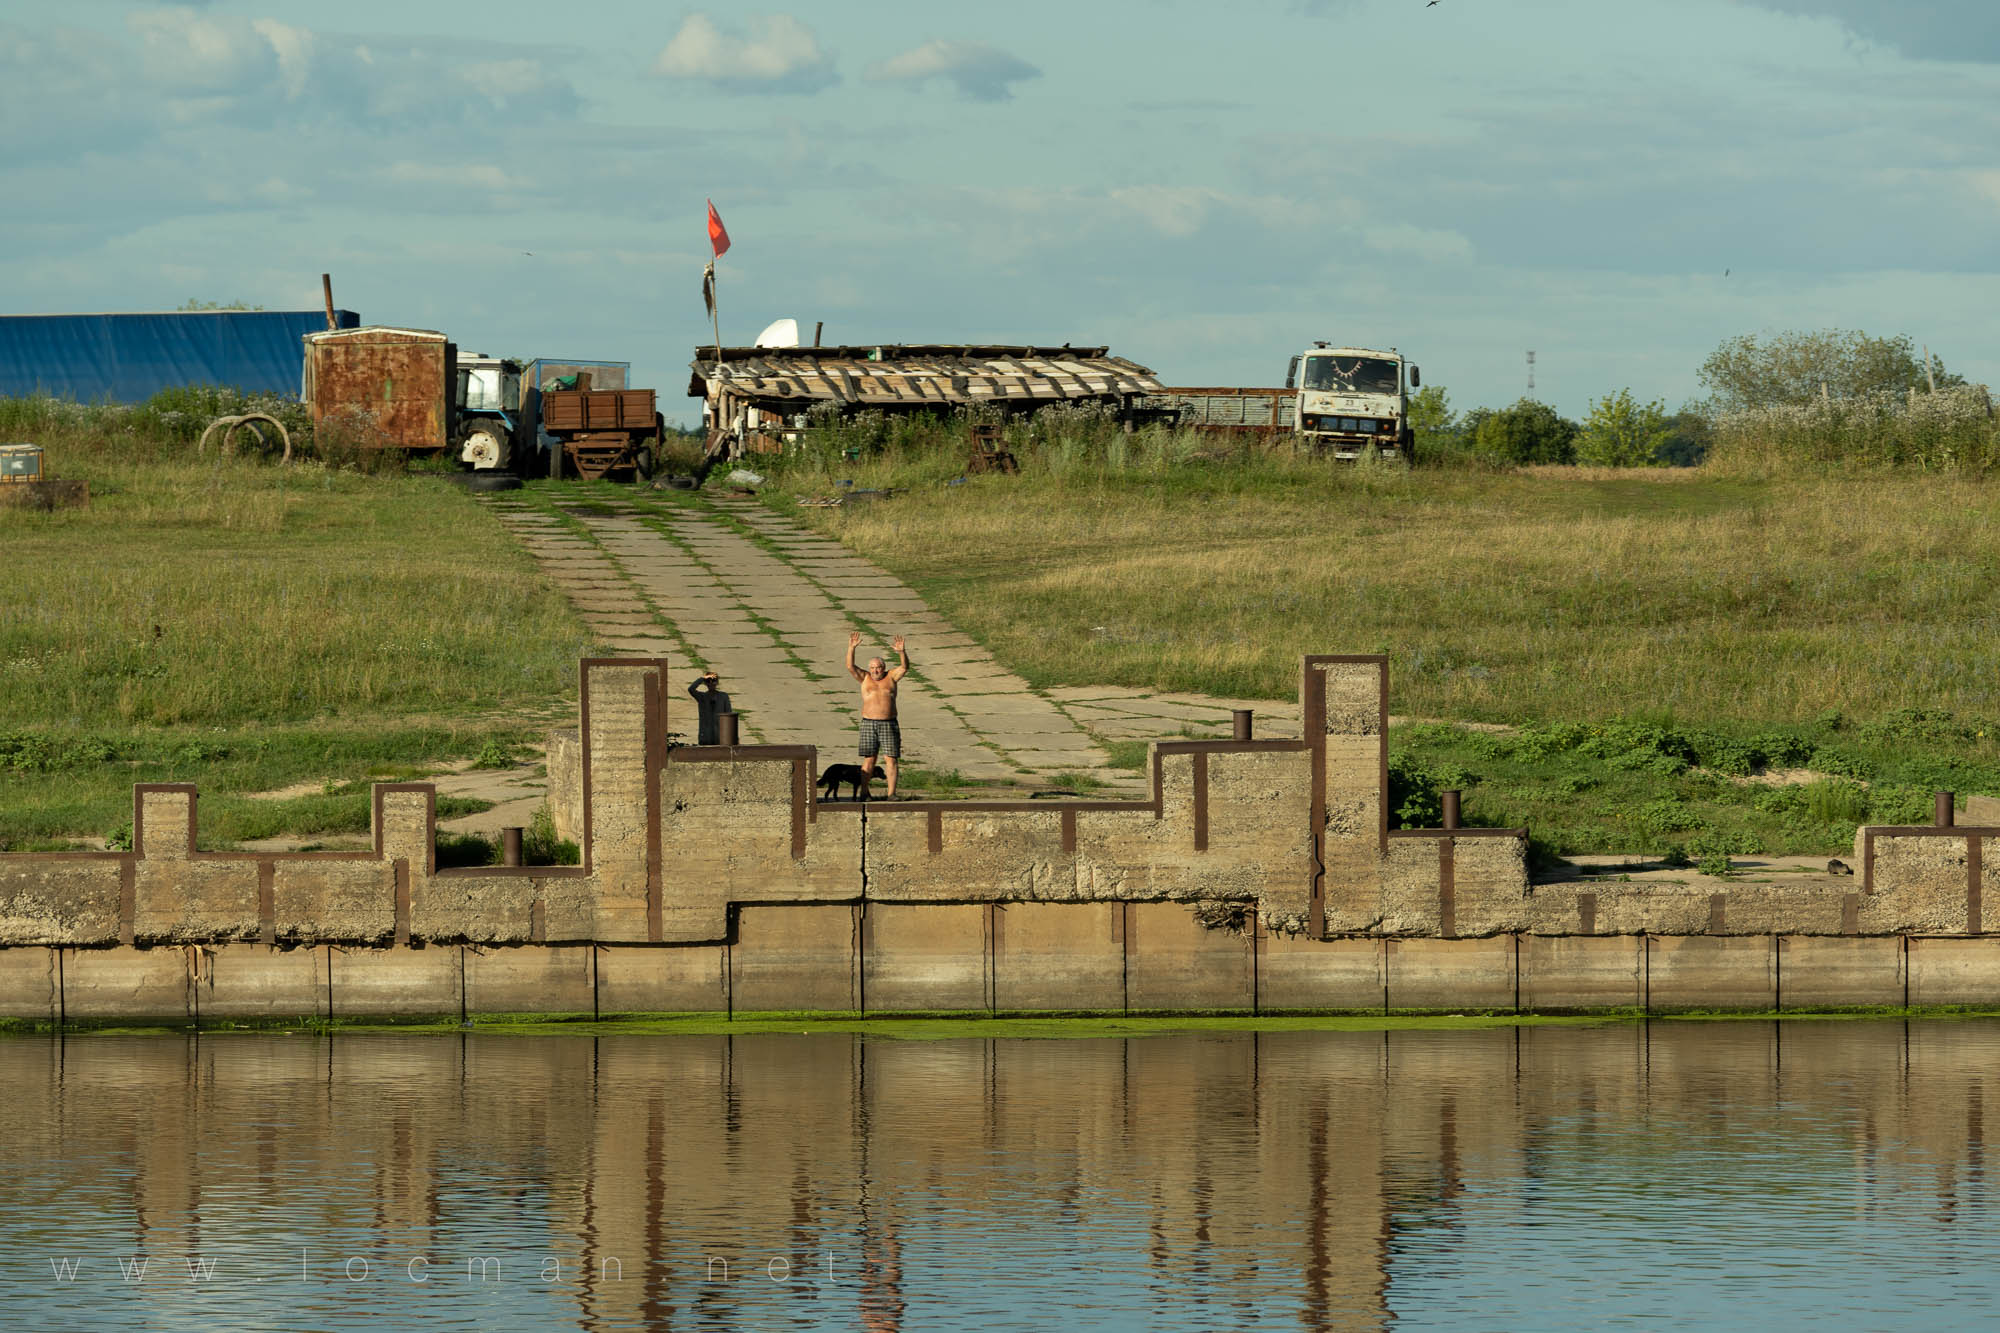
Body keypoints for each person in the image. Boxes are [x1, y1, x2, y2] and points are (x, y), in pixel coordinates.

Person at [846, 631, 908, 797]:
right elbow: (850, 667)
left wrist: (901, 652)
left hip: (889, 723)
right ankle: (864, 792)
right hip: (868, 723)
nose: (875, 671)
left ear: (883, 668)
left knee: (891, 759)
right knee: (869, 760)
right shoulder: (865, 678)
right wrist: (851, 648)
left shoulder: (891, 677)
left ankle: (891, 793)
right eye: (872, 668)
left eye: (878, 668)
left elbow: (904, 667)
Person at [685, 669, 730, 746]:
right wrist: (703, 678)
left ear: (717, 683)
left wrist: (731, 735)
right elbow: (691, 689)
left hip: (720, 736)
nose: (711, 683)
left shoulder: (723, 696)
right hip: (705, 735)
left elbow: (729, 716)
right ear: (706, 683)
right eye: (708, 681)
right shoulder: (702, 697)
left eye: (714, 681)